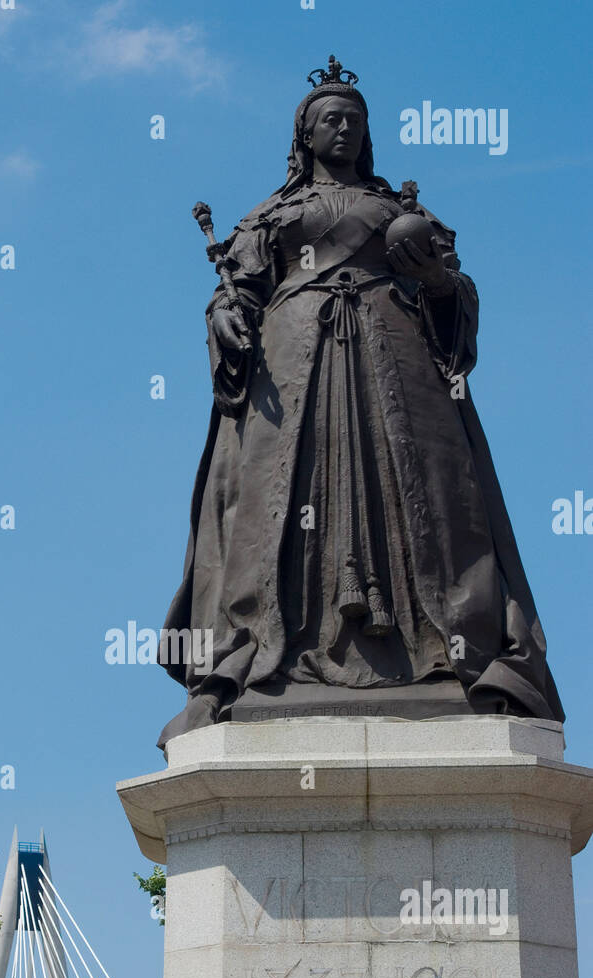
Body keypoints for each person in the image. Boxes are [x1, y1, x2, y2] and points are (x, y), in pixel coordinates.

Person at [158, 56, 563, 746]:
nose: (343, 128)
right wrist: (225, 316)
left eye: (354, 119)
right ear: (305, 135)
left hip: (395, 359)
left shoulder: (402, 212)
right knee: (273, 500)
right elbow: (239, 294)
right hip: (291, 366)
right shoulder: (271, 214)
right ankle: (259, 660)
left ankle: (450, 657)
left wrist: (433, 277)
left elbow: (455, 300)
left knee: (433, 497)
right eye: (329, 119)